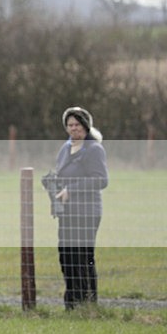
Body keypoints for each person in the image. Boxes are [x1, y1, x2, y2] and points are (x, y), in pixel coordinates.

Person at [53, 106, 108, 309]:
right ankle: (72, 303)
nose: (73, 128)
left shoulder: (94, 149)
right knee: (66, 256)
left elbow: (101, 180)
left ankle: (88, 301)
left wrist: (71, 190)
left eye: (77, 124)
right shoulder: (65, 149)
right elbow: (61, 175)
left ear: (86, 126)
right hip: (65, 212)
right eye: (70, 125)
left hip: (86, 212)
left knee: (83, 257)